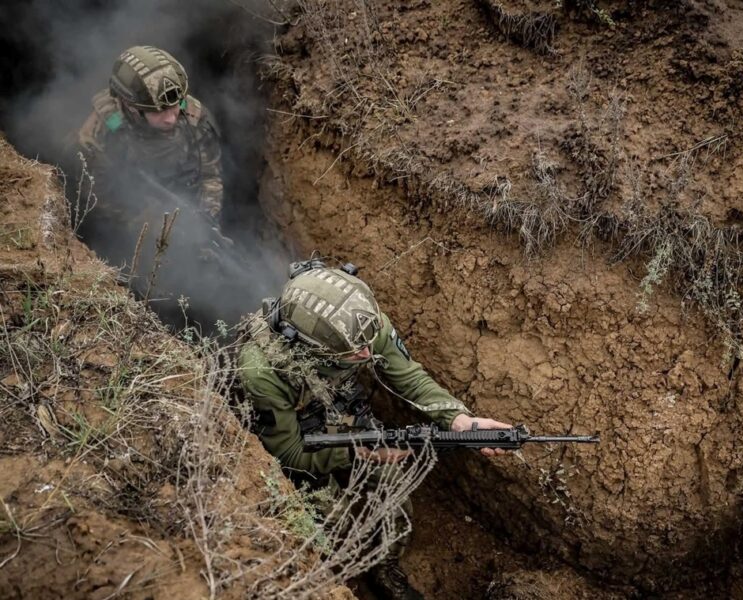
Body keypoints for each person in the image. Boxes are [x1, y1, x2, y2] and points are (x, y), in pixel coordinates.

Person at [237, 259, 510, 600]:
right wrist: (355, 450)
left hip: (343, 414)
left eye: (369, 342)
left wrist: (459, 419)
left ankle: (385, 567)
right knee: (328, 523)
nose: (368, 351)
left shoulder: (361, 324)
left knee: (393, 489)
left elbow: (407, 376)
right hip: (300, 441)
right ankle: (341, 581)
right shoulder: (261, 370)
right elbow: (287, 453)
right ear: (312, 348)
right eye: (356, 352)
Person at [76, 45, 223, 219]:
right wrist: (141, 221)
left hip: (185, 207)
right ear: (131, 107)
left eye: (174, 106)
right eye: (158, 111)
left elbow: (210, 176)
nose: (171, 119)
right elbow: (96, 196)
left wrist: (206, 219)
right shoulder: (101, 132)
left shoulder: (194, 117)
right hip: (128, 215)